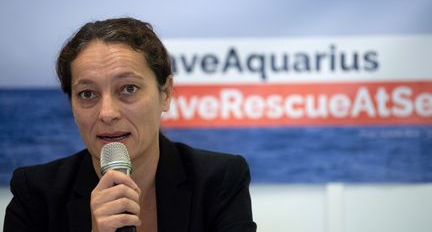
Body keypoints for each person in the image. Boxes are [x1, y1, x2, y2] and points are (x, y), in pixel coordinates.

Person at [3, 17, 256, 232]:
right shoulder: (35, 194)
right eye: (87, 94)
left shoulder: (219, 180)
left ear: (165, 94)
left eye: (128, 89)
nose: (107, 113)